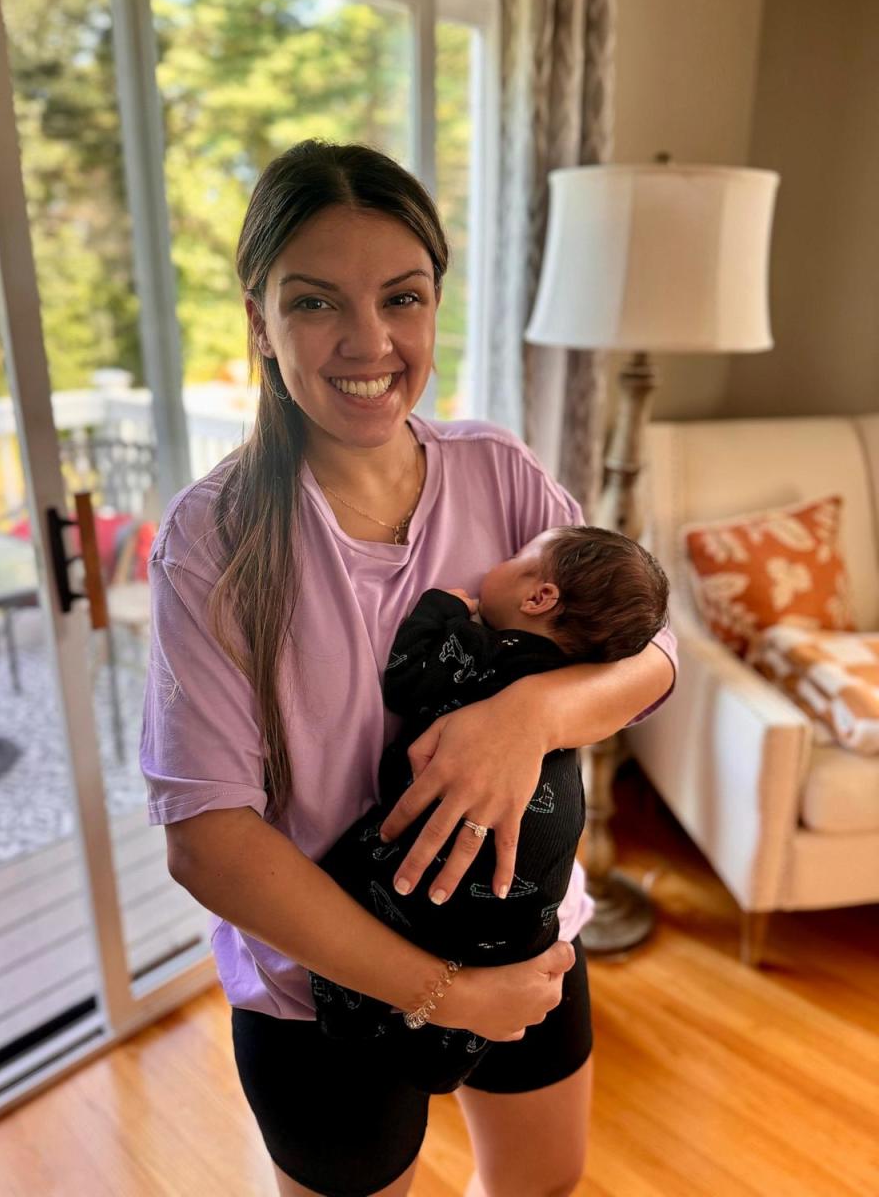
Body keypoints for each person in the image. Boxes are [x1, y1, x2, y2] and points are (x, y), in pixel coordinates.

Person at [140, 139, 677, 1197]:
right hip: (321, 993)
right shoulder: (216, 540)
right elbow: (207, 841)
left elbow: (657, 657)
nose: (369, 341)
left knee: (542, 1177)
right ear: (258, 319)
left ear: (435, 304)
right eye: (314, 303)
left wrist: (528, 712)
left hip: (527, 949)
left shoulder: (499, 472)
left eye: (402, 296)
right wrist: (446, 991)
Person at [309, 526, 670, 1097]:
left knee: (344, 878)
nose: (497, 563)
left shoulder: (485, 652)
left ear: (538, 597)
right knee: (493, 948)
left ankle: (346, 1016)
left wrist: (442, 607)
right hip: (536, 885)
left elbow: (406, 678)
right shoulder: (581, 677)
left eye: (515, 559)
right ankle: (447, 1063)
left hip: (445, 850)